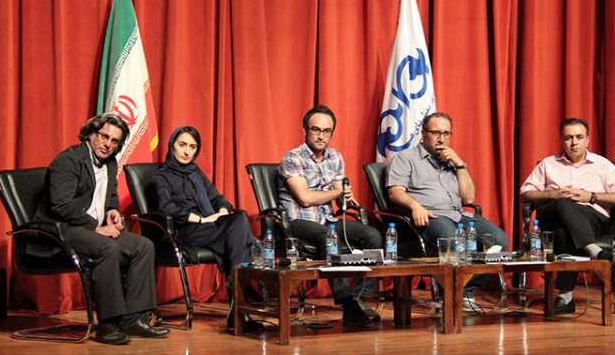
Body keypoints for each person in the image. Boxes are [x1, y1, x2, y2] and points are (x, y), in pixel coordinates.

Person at [32, 113, 170, 345]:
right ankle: (108, 325)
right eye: (104, 136)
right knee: (108, 248)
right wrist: (96, 228)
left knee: (143, 245)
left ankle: (134, 319)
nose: (108, 144)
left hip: (92, 229)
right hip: (64, 230)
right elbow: (61, 205)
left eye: (114, 141)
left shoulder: (110, 162)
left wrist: (112, 211)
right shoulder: (69, 160)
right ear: (91, 133)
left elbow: (110, 194)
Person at [386, 112, 509, 309]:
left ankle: (465, 288)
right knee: (452, 238)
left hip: (458, 215)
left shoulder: (452, 161)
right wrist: (415, 205)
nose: (442, 139)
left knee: (498, 240)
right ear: (423, 133)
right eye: (436, 133)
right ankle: (453, 292)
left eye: (446, 134)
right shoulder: (405, 158)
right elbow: (395, 192)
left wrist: (460, 165)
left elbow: (468, 198)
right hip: (430, 215)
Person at [278, 105, 383, 327]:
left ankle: (360, 298)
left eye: (327, 131)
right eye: (316, 130)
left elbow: (338, 196)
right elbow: (305, 198)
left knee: (372, 235)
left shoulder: (335, 157)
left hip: (327, 220)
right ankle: (346, 301)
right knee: (329, 236)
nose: (321, 136)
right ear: (305, 130)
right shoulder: (293, 158)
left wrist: (346, 197)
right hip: (298, 221)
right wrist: (337, 192)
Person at [149, 125, 261, 330]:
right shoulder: (161, 177)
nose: (187, 151)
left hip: (209, 228)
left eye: (192, 147)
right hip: (182, 231)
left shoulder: (196, 173)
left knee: (239, 218)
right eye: (182, 145)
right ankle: (239, 308)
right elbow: (166, 208)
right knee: (240, 237)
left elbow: (218, 198)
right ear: (172, 146)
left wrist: (222, 211)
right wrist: (201, 219)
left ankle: (237, 305)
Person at [520, 117, 615, 314]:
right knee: (563, 202)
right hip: (552, 213)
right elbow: (525, 193)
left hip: (591, 217)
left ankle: (565, 296)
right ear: (562, 140)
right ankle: (594, 250)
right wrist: (554, 194)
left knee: (564, 231)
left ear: (587, 140)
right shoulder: (548, 164)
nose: (574, 142)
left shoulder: (603, 165)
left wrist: (591, 196)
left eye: (579, 137)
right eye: (568, 138)